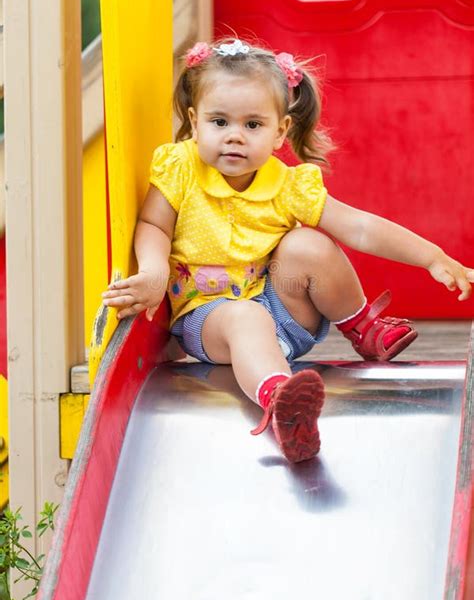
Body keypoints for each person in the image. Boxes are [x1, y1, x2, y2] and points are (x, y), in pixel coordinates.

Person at [102, 38, 474, 464]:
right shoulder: (181, 167)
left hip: (281, 307)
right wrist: (152, 273)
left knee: (308, 243)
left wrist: (432, 257)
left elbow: (359, 227)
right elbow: (153, 225)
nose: (234, 137)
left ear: (280, 131)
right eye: (219, 122)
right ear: (194, 120)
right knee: (245, 316)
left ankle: (363, 329)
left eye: (253, 125)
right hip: (211, 317)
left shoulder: (287, 184)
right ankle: (281, 401)